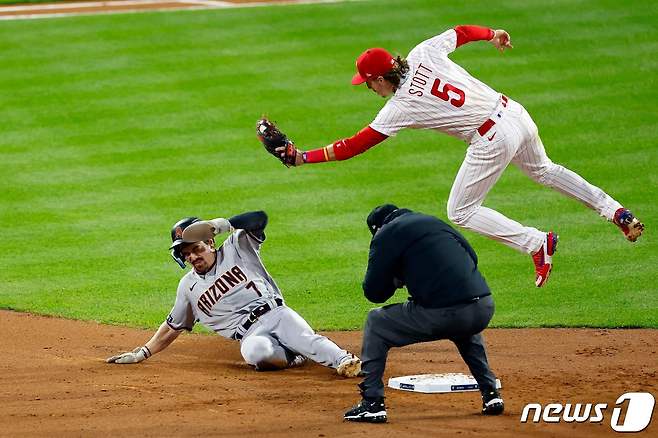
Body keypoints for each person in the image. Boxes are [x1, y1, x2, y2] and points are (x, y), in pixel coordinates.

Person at [277, 25, 644, 288]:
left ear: (380, 79)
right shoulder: (423, 52)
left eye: (369, 83)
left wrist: (302, 158)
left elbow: (356, 144)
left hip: (491, 138)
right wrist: (494, 33)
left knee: (461, 211)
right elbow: (462, 31)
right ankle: (616, 211)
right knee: (545, 171)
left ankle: (535, 242)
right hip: (515, 113)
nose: (370, 89)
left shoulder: (400, 107)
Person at [107, 211, 362, 378]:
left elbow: (259, 218)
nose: (192, 257)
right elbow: (172, 326)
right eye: (186, 254)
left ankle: (345, 361)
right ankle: (293, 357)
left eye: (196, 249)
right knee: (256, 353)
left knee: (305, 337)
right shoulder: (188, 287)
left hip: (275, 313)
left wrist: (223, 225)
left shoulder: (237, 247)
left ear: (210, 243)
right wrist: (143, 353)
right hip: (249, 334)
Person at [343, 204, 503, 423]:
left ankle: (372, 403)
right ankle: (491, 394)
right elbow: (471, 257)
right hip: (483, 307)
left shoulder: (386, 234)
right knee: (463, 326)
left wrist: (396, 278)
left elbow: (374, 293)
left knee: (376, 321)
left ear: (377, 228)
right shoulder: (433, 222)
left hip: (446, 314)